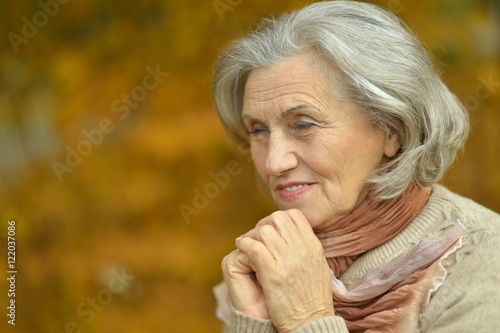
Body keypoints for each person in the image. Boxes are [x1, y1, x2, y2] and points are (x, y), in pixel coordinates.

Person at [211, 1, 500, 332]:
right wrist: (257, 324)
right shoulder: (268, 265)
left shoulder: (484, 261)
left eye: (302, 124)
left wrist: (308, 320)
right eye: (259, 130)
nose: (274, 162)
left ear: (393, 128)